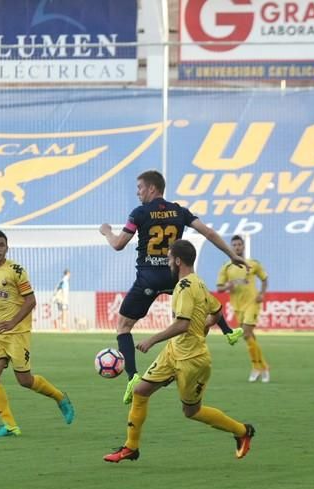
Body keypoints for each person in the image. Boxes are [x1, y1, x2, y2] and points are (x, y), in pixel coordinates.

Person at [100, 170, 246, 405]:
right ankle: (229, 332)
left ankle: (132, 376)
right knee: (202, 302)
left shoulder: (139, 213)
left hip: (147, 279)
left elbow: (118, 244)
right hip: (175, 275)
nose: (137, 193)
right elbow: (207, 232)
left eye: (139, 188)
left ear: (152, 188)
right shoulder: (179, 211)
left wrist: (106, 231)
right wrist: (231, 255)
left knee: (124, 326)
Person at [104, 240, 255, 464]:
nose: (167, 263)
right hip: (173, 352)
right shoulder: (198, 283)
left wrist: (151, 340)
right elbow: (216, 311)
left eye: (168, 258)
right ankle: (131, 447)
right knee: (140, 391)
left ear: (177, 260)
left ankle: (242, 431)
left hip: (192, 360)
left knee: (191, 411)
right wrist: (202, 327)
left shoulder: (184, 287)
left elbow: (182, 325)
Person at [0, 230, 74, 437]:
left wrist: (12, 322)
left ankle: (60, 397)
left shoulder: (16, 271)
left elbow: (31, 301)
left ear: (7, 248)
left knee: (25, 381)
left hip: (17, 332)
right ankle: (10, 425)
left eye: (1, 245)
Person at [217, 234, 271, 382]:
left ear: (243, 246)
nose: (237, 247)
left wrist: (262, 293)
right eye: (234, 245)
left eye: (239, 245)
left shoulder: (253, 264)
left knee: (246, 334)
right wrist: (230, 285)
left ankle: (256, 367)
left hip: (252, 303)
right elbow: (219, 288)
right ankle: (264, 366)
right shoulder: (226, 267)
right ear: (230, 247)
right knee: (250, 337)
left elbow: (264, 278)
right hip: (237, 306)